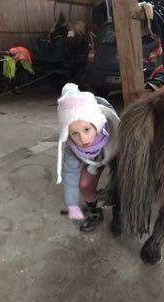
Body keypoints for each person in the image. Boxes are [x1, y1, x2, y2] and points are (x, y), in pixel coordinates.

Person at [57, 83, 120, 232]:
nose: (83, 139)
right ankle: (95, 213)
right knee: (85, 184)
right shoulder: (71, 149)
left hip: (114, 148)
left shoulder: (117, 133)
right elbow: (70, 179)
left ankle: (119, 214)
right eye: (74, 133)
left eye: (86, 130)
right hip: (92, 159)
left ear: (96, 124)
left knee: (121, 182)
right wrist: (72, 204)